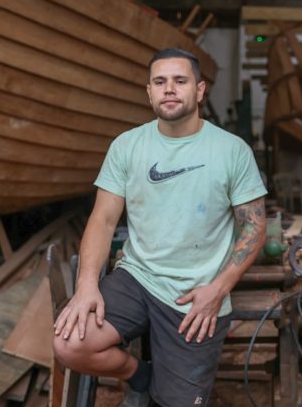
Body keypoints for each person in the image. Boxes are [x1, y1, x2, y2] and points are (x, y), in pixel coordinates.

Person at [53, 48, 267, 407]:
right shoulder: (127, 146)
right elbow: (103, 220)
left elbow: (254, 229)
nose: (169, 89)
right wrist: (86, 286)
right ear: (149, 92)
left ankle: (166, 390)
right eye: (160, 82)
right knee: (70, 344)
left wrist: (218, 290)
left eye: (180, 81)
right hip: (138, 278)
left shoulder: (232, 151)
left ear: (199, 91)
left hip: (195, 293)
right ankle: (141, 375)